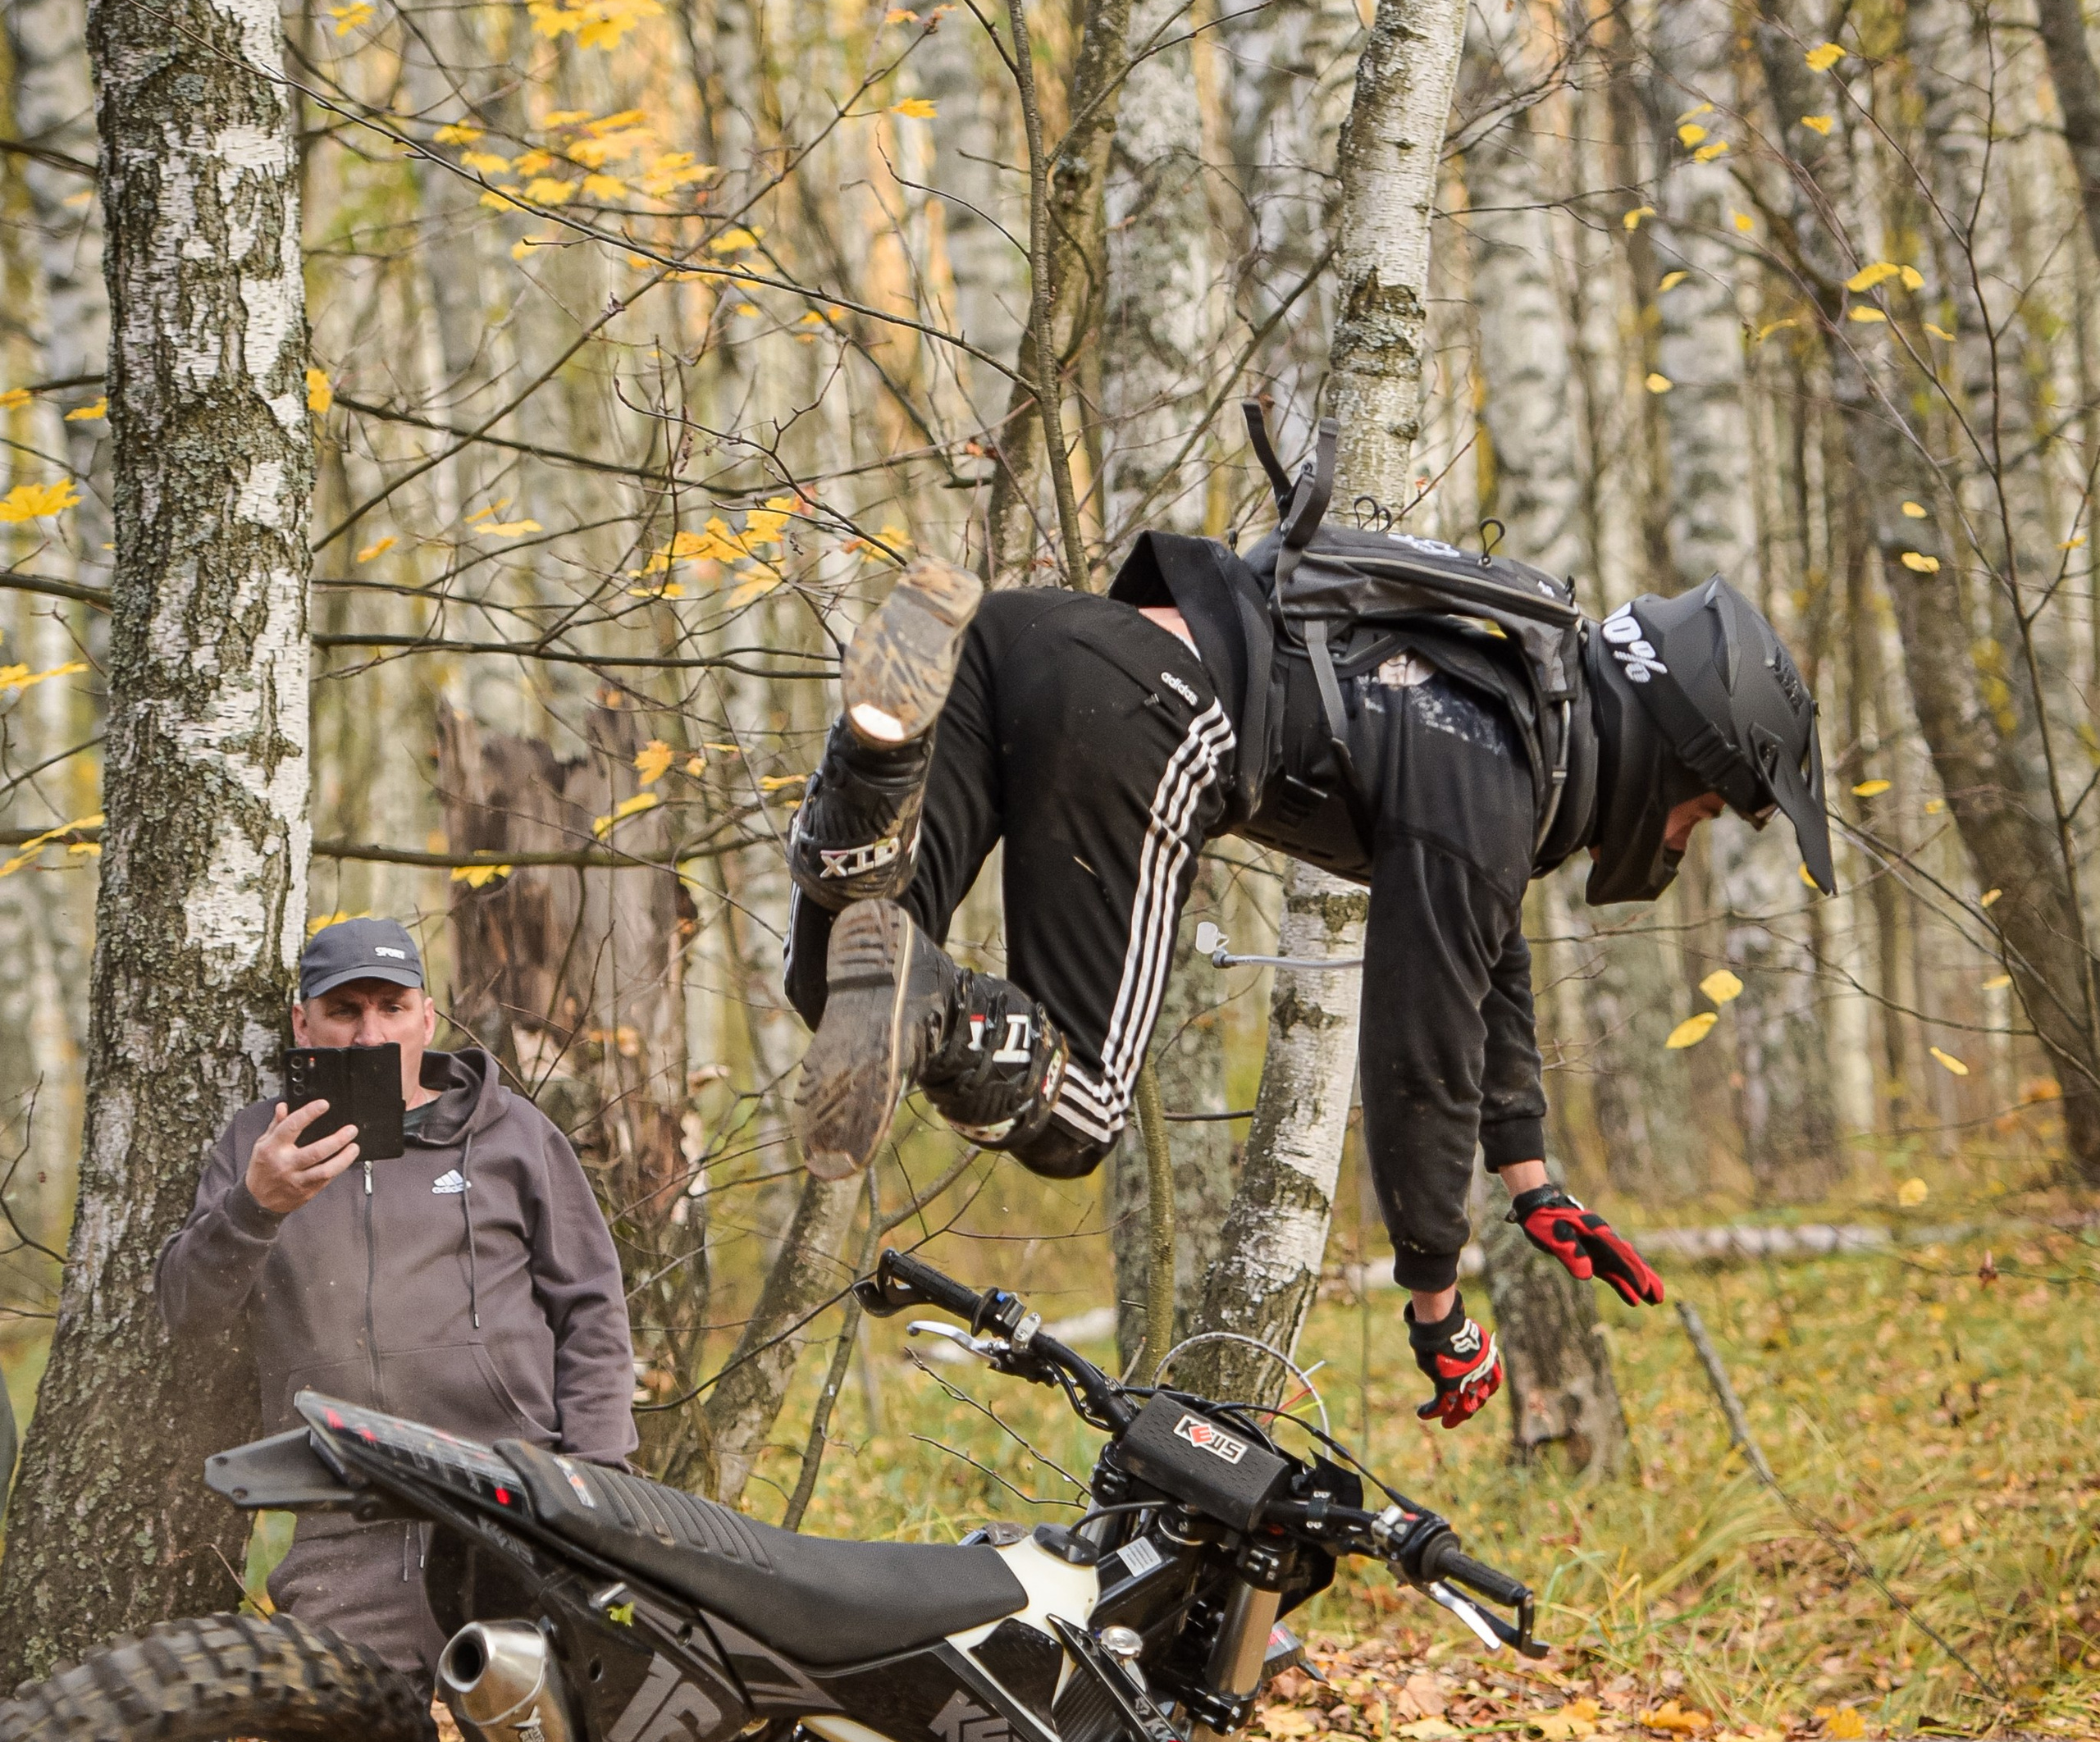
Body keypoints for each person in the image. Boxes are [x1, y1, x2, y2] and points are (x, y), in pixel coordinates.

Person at [783, 464, 1834, 1433]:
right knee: (1075, 1114)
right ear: (1668, 757)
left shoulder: (1499, 720)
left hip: (1016, 637)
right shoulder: (1494, 781)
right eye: (1696, 814)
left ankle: (876, 760)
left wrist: (1531, 1180)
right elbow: (1422, 1037)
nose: (1678, 842)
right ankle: (921, 968)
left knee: (836, 978)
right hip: (1151, 707)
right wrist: (1437, 1301)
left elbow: (1486, 962)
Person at [157, 917, 637, 1677]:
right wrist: (258, 1205)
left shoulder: (511, 1133)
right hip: (347, 1516)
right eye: (344, 1011)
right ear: (301, 1021)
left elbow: (592, 1308)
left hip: (516, 1505)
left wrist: (596, 1478)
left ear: (428, 1014)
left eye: (391, 1007)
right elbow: (188, 1312)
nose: (368, 1034)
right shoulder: (260, 1142)